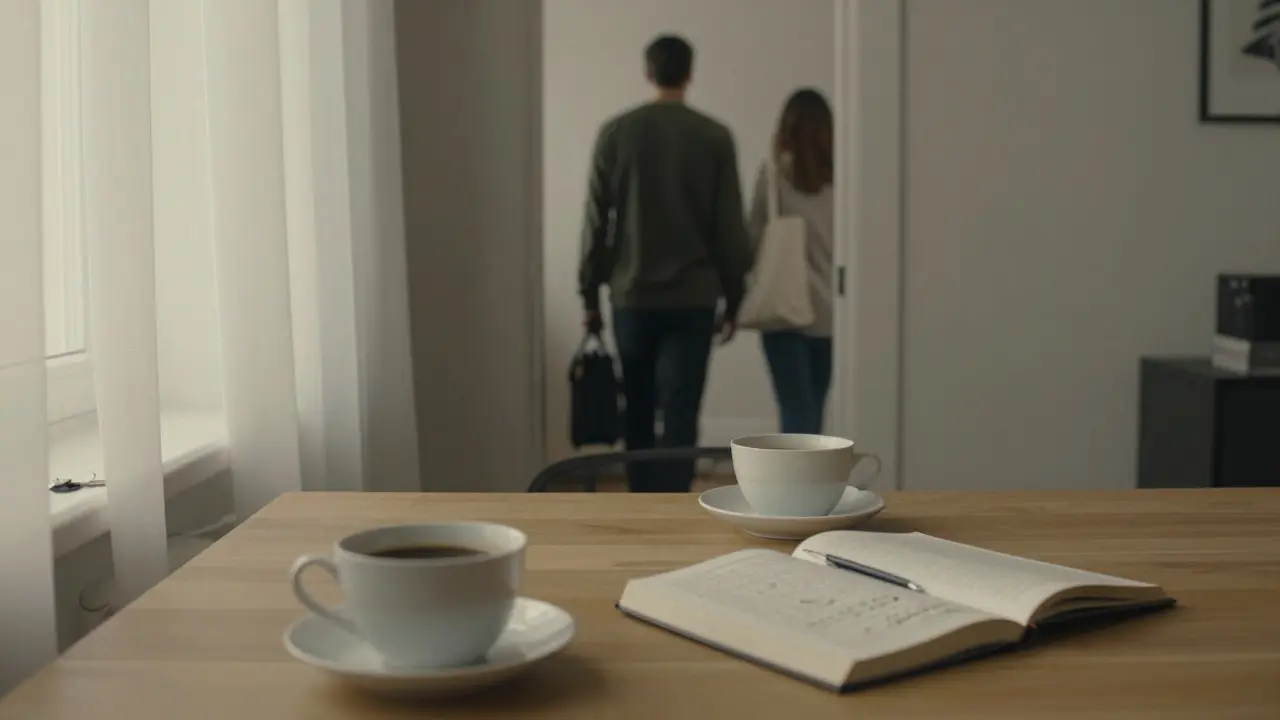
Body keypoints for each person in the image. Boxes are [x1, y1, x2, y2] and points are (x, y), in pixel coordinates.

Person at [578, 34, 752, 493]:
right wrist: (735, 298)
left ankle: (641, 503)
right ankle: (675, 506)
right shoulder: (713, 137)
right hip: (693, 299)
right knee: (681, 411)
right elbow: (729, 227)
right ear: (690, 73)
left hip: (632, 295)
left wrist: (589, 294)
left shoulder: (616, 133)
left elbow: (596, 222)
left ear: (648, 72)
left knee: (636, 409)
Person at [746, 89, 835, 435]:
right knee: (815, 412)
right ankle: (813, 470)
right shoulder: (843, 183)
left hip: (783, 312)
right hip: (830, 316)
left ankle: (794, 471)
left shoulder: (772, 178)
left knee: (794, 410)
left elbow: (753, 241)